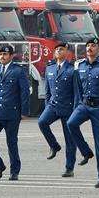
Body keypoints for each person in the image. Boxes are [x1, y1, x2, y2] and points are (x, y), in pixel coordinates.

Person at [66, 38, 99, 188]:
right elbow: (77, 89)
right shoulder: (79, 65)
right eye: (88, 45)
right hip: (84, 105)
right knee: (71, 124)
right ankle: (86, 151)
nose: (89, 48)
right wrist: (77, 106)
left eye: (93, 46)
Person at [0, 44, 30, 180]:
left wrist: (24, 111)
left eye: (5, 54)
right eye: (0, 54)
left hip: (12, 112)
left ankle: (14, 171)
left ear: (11, 56)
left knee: (11, 142)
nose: (2, 57)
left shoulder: (18, 71)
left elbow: (24, 92)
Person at [37, 42, 78, 177]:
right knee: (42, 122)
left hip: (68, 107)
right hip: (53, 105)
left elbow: (76, 92)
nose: (58, 52)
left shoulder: (72, 69)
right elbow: (47, 90)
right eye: (57, 50)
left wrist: (75, 109)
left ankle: (69, 167)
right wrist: (47, 105)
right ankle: (54, 145)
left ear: (67, 53)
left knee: (70, 140)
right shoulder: (49, 68)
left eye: (61, 49)